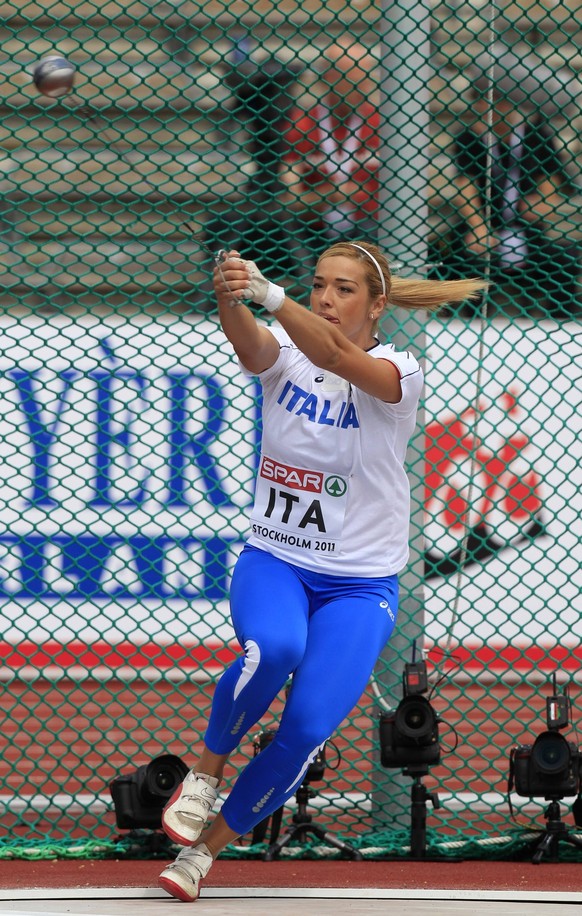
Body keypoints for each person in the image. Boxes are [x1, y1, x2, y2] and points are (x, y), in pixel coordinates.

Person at [158, 240, 487, 902]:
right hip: (277, 560)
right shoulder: (286, 352)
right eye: (319, 287)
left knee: (306, 729)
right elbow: (252, 345)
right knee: (276, 646)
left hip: (360, 586)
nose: (327, 299)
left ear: (376, 304)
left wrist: (270, 294)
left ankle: (202, 855)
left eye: (343, 289)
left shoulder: (398, 369)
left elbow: (335, 355)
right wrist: (230, 293)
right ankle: (205, 771)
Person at [430, 87, 580, 316]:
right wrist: (478, 227)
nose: (491, 108)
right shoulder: (470, 138)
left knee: (566, 261)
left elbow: (550, 184)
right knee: (458, 259)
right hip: (484, 226)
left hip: (527, 229)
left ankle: (559, 320)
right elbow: (465, 187)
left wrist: (542, 203)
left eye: (500, 102)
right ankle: (465, 320)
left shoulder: (535, 136)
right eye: (484, 102)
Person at [282, 39, 381, 249]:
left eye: (364, 77)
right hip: (314, 226)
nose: (361, 86)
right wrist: (329, 195)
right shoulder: (304, 123)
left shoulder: (381, 124)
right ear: (328, 78)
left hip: (371, 226)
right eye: (351, 78)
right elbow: (291, 198)